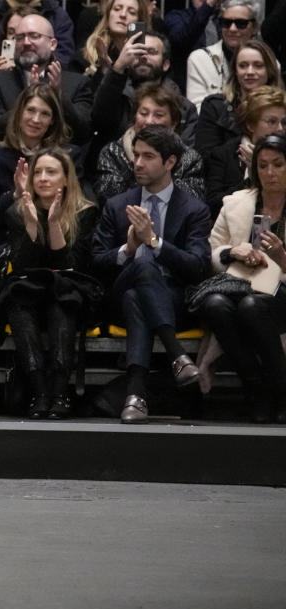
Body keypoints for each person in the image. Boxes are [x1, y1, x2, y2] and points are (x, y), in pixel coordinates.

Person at [92, 125, 212, 424]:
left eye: (148, 156)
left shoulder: (194, 209)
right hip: (118, 296)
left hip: (171, 301)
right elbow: (96, 261)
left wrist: (155, 243)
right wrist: (129, 248)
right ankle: (177, 355)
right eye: (136, 155)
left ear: (170, 162)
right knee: (141, 268)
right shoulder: (118, 204)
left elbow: (197, 267)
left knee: (139, 296)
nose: (138, 163)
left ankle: (135, 394)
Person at [0, 147, 101, 418]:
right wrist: (32, 224)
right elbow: (24, 267)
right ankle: (39, 391)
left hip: (69, 287)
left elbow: (71, 268)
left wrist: (54, 226)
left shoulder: (86, 213)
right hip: (30, 287)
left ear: (66, 179)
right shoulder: (18, 211)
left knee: (62, 299)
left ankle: (60, 392)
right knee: (17, 300)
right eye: (37, 172)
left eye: (51, 172)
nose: (43, 178)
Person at [197, 135, 286, 422]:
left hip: (281, 288)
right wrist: (232, 252)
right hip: (241, 281)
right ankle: (255, 387)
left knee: (251, 306)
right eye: (263, 165)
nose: (270, 172)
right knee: (215, 304)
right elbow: (210, 252)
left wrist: (281, 257)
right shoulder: (236, 203)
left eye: (278, 165)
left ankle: (280, 388)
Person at [0, 13, 94, 148]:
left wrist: (58, 95)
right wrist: (26, 99)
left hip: (58, 162)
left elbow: (83, 132)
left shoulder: (77, 83)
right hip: (9, 161)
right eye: (20, 38)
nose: (26, 42)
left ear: (53, 44)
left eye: (34, 36)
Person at [0, 83, 80, 215]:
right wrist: (16, 194)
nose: (36, 120)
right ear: (19, 113)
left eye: (45, 114)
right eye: (31, 110)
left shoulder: (69, 155)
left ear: (53, 120)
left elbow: (75, 206)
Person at [95, 82, 205, 206]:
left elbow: (191, 204)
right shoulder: (113, 152)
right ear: (135, 116)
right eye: (143, 113)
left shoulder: (189, 158)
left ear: (173, 123)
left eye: (158, 115)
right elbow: (109, 200)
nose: (149, 121)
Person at [89, 31, 198, 153]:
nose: (143, 57)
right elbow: (99, 120)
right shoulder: (116, 95)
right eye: (138, 51)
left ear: (165, 64)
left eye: (151, 52)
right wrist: (118, 67)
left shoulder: (183, 107)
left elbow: (187, 156)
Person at [204, 86, 286, 216]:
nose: (280, 128)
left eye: (284, 122)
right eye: (272, 122)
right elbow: (213, 206)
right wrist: (252, 178)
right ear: (250, 125)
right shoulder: (224, 154)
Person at [194, 40, 284, 158]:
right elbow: (205, 158)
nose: (250, 72)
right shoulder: (214, 107)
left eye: (258, 65)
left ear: (270, 71)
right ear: (235, 72)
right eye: (243, 66)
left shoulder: (283, 107)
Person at [186, 0, 261, 112]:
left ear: (254, 27)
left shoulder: (268, 62)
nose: (232, 29)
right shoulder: (200, 59)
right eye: (226, 23)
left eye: (241, 23)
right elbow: (197, 112)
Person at [0, 0, 76, 78]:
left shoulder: (58, 15)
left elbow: (64, 61)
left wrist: (33, 70)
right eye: (12, 33)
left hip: (46, 81)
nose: (25, 42)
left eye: (33, 35)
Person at [75, 0, 152, 91]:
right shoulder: (85, 57)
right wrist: (106, 69)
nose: (123, 15)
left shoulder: (146, 58)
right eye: (117, 9)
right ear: (108, 15)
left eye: (131, 12)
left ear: (140, 21)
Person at [163, 0, 221, 93]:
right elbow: (181, 40)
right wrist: (208, 5)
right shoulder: (176, 16)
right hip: (186, 87)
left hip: (219, 84)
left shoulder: (222, 20)